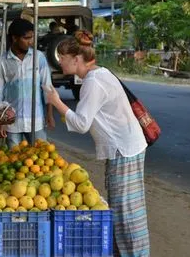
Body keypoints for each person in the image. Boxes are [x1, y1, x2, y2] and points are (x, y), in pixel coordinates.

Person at [44, 30, 150, 257]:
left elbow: (82, 123)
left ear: (76, 59)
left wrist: (56, 102)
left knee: (126, 212)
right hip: (126, 148)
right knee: (125, 208)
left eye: (63, 57)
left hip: (124, 150)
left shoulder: (93, 82)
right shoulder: (98, 75)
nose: (59, 61)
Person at [0, 18, 55, 148]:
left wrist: (49, 114)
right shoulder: (2, 62)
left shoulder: (38, 57)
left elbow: (47, 88)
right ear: (15, 38)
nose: (31, 42)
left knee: (41, 159)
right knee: (14, 160)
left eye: (32, 37)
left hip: (36, 120)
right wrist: (0, 123)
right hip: (12, 123)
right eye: (27, 38)